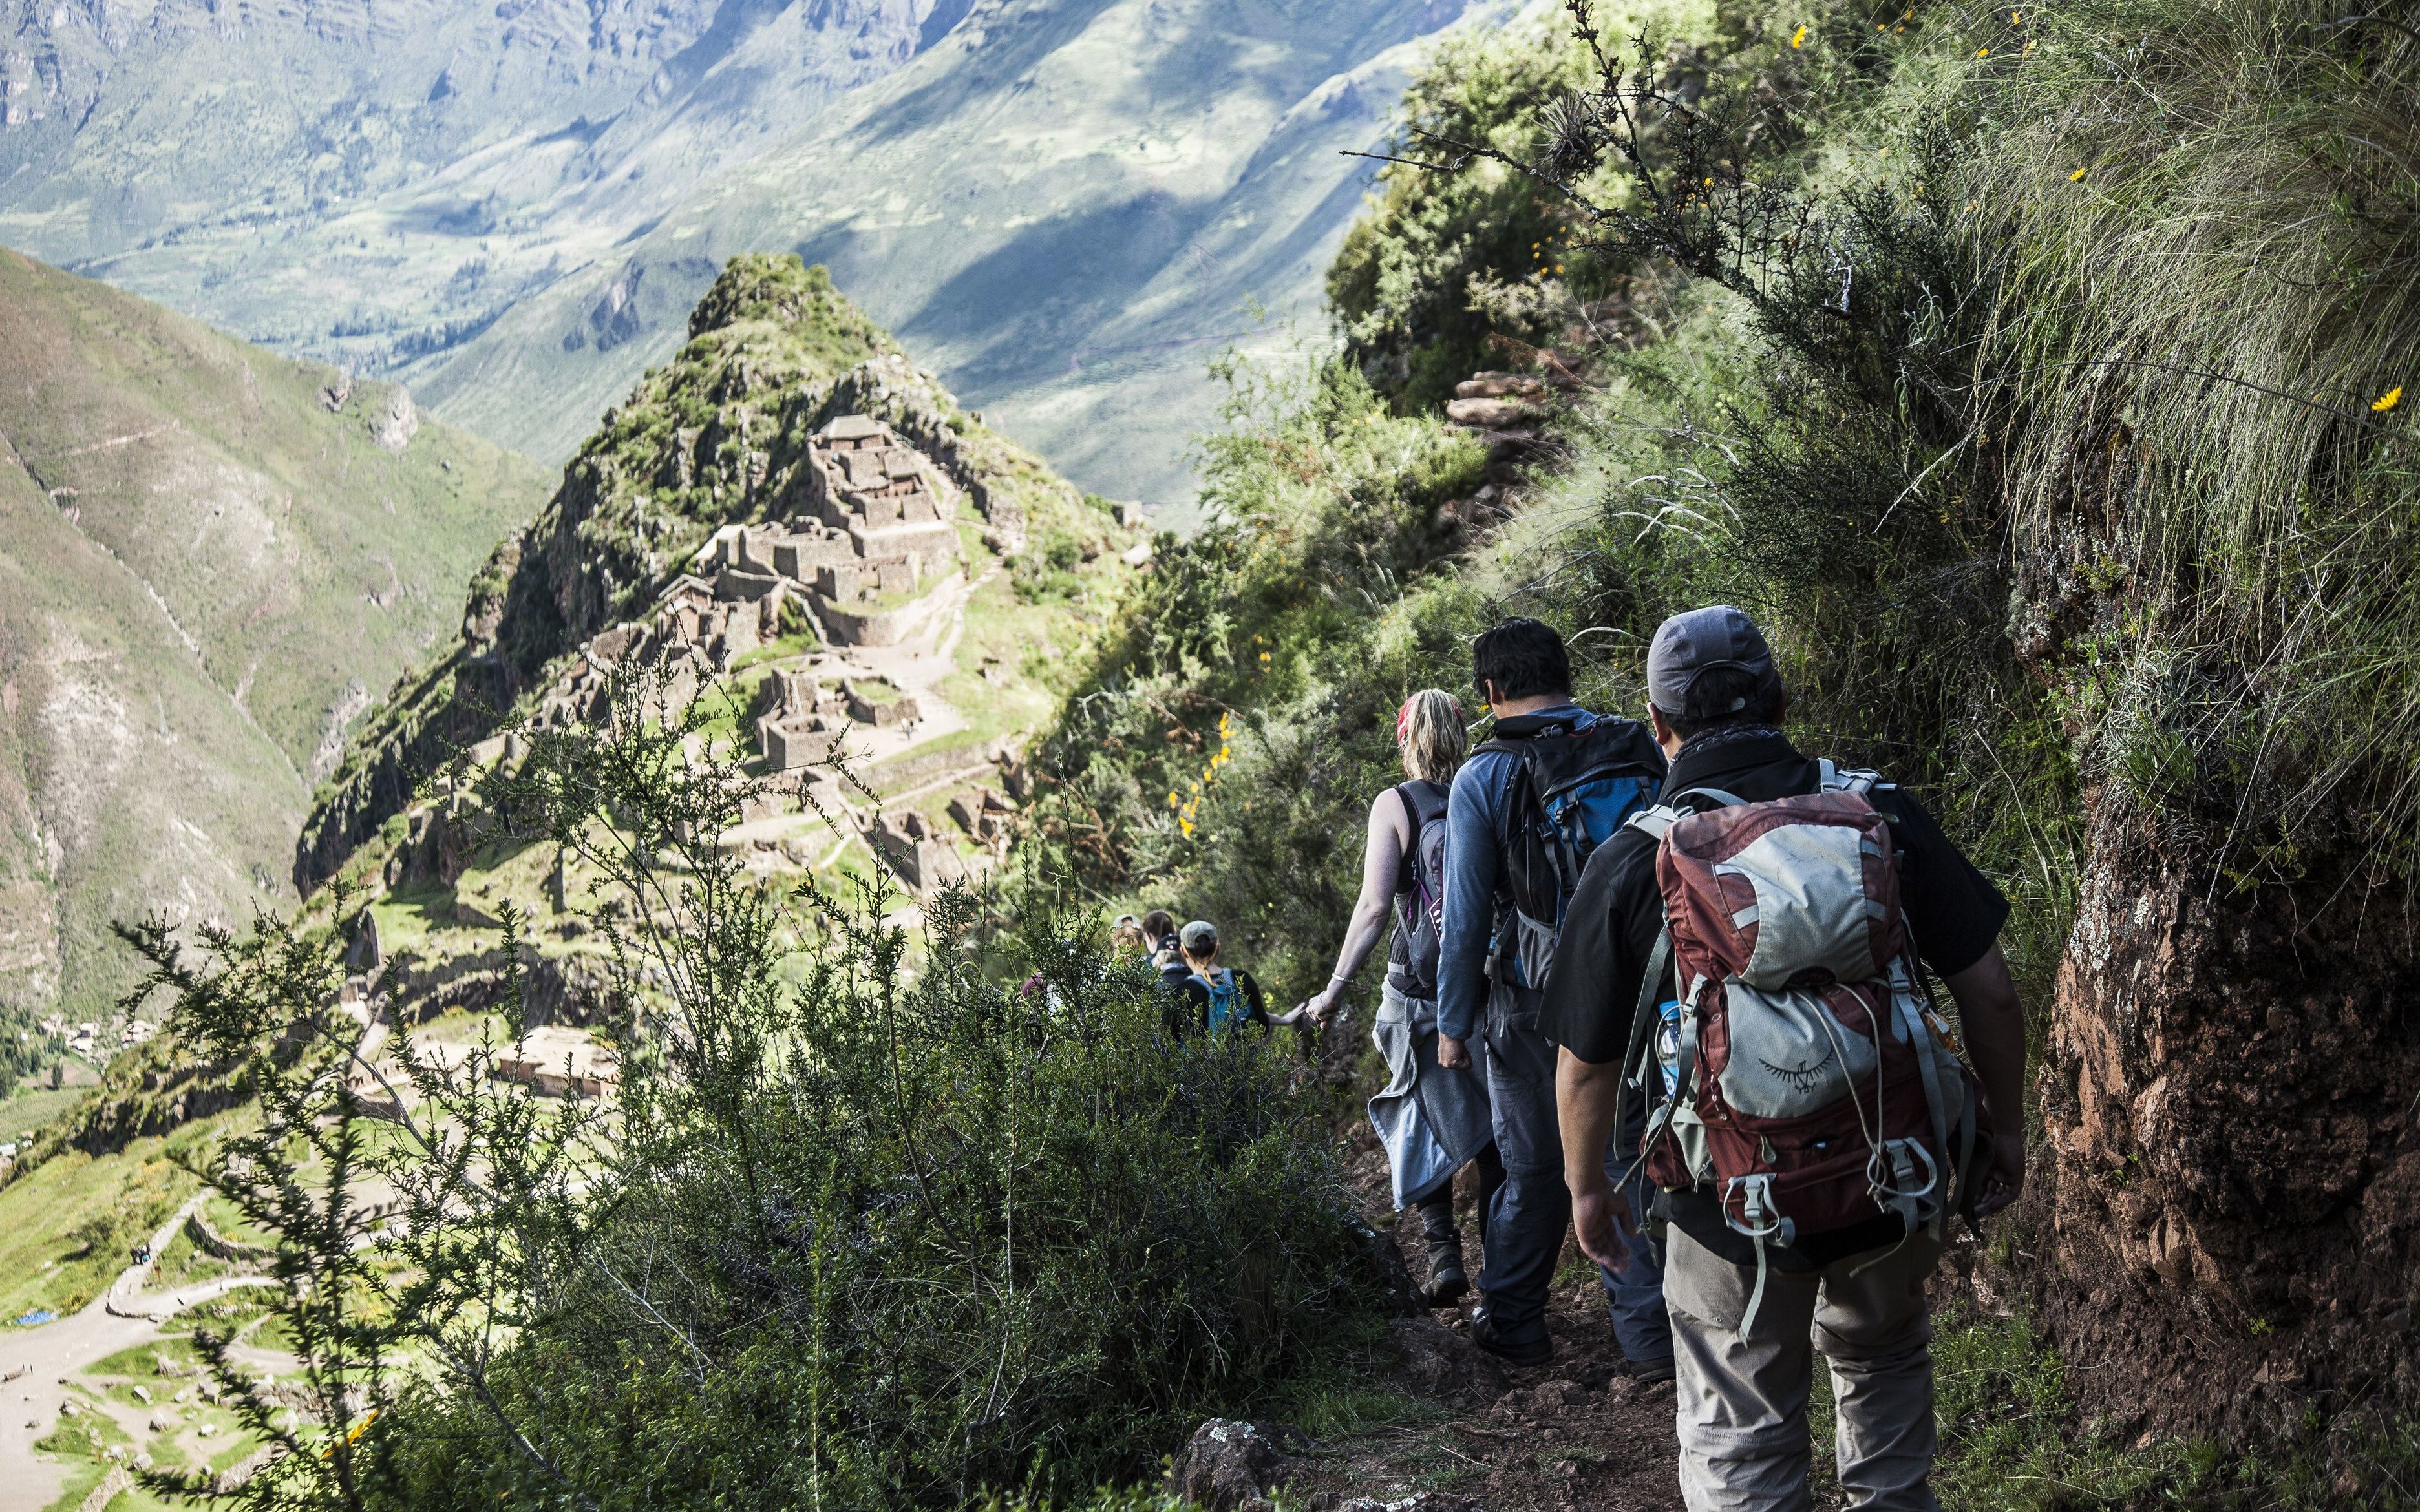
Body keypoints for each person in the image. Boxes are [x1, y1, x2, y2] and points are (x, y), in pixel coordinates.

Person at [1543, 604, 2028, 1512]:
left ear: (1659, 726)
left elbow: (1585, 1068)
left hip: (1728, 1205)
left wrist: (1586, 1189)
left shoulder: (1635, 862)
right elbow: (1991, 992)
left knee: (1742, 1436)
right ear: (1781, 695)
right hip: (1896, 1175)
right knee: (1883, 1366)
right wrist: (2007, 1132)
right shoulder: (1877, 815)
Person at [1436, 617, 1670, 1369]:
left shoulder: (1486, 774)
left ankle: (1513, 1323)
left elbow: (1467, 916)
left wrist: (1453, 1020)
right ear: (1563, 675)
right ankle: (1651, 1341)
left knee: (1537, 1165)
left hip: (1534, 1000)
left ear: (1491, 691)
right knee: (1630, 1153)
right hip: (1643, 985)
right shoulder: (1633, 742)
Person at [1298, 690, 1502, 1307]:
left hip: (1416, 996)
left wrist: (1333, 990)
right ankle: (1502, 1274)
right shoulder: (1487, 785)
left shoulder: (1396, 803)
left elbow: (1374, 906)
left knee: (1418, 1119)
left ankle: (1443, 1257)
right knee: (1496, 1134)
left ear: (1404, 739)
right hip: (1490, 989)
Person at [1167, 920, 1308, 1038]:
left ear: (1183, 951)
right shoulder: (1241, 978)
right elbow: (1262, 1026)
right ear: (1218, 946)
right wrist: (1284, 1019)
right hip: (1243, 1070)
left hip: (1201, 1071)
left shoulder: (1180, 993)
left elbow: (1168, 1044)